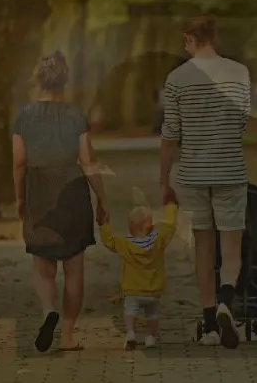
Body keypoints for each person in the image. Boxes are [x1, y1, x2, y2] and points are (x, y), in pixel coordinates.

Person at [159, 15, 251, 349]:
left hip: (193, 174)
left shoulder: (177, 79)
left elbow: (170, 135)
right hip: (230, 170)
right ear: (214, 36)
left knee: (203, 247)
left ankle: (211, 324)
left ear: (188, 39)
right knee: (231, 246)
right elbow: (242, 121)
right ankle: (228, 299)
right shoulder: (239, 73)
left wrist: (164, 181)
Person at [12, 50, 108, 353]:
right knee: (74, 269)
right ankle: (67, 336)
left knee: (43, 266)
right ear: (64, 80)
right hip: (73, 191)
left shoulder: (24, 116)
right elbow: (88, 161)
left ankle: (47, 312)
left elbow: (19, 162)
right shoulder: (76, 115)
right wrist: (102, 199)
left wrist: (19, 198)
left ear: (38, 80)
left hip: (39, 191)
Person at [97, 192, 177, 350]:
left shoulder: (124, 244)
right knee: (152, 315)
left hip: (132, 290)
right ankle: (151, 337)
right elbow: (170, 226)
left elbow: (108, 242)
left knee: (130, 312)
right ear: (152, 226)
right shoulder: (159, 241)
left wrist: (104, 225)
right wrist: (171, 207)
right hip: (153, 291)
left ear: (130, 228)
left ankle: (131, 333)